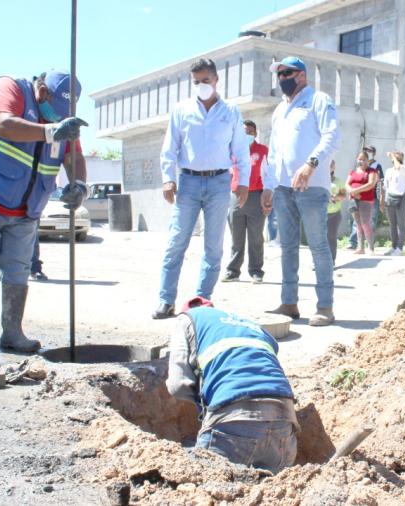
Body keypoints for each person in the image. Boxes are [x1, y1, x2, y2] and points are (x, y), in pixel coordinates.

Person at [0, 70, 88, 352]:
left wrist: (80, 186)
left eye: (62, 116)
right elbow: (4, 125)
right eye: (54, 112)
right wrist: (50, 131)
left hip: (27, 207)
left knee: (18, 269)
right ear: (42, 92)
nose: (56, 119)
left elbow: (73, 155)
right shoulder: (9, 89)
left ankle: (12, 332)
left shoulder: (62, 122)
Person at [153, 58, 250, 319]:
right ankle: (165, 300)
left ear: (217, 80)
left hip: (219, 182)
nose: (201, 85)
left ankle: (201, 301)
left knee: (214, 246)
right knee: (177, 242)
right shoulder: (181, 110)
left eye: (206, 80)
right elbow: (170, 147)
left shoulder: (230, 111)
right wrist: (167, 178)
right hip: (188, 183)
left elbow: (240, 150)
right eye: (196, 82)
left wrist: (243, 182)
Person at [166, 296, 298, 473]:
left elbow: (178, 385)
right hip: (285, 426)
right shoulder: (252, 326)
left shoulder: (186, 319)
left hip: (232, 424)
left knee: (208, 491)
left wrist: (206, 410)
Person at [262, 56, 341, 326]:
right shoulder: (279, 110)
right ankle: (289, 303)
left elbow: (332, 136)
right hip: (283, 188)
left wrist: (310, 164)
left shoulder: (319, 100)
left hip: (312, 187)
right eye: (279, 74)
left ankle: (325, 307)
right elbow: (273, 152)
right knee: (288, 248)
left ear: (302, 76)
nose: (282, 78)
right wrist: (269, 185)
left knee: (318, 246)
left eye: (288, 73)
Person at [223, 120, 269, 284]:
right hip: (236, 196)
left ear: (255, 134)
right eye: (244, 132)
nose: (247, 135)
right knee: (236, 237)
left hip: (256, 196)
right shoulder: (233, 151)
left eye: (250, 132)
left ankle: (256, 271)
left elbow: (268, 174)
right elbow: (227, 173)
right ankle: (233, 271)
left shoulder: (263, 151)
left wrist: (268, 196)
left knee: (256, 237)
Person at [348, 146, 383, 249]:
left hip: (369, 198)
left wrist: (381, 198)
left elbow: (376, 183)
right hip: (355, 199)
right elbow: (348, 183)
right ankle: (357, 245)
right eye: (360, 159)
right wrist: (352, 192)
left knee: (367, 222)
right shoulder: (355, 170)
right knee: (357, 223)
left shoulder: (375, 167)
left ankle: (370, 246)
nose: (361, 161)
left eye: (369, 151)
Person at [383, 151, 405, 256]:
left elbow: (398, 166)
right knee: (392, 224)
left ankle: (400, 248)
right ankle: (394, 246)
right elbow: (386, 186)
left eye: (399, 157)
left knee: (401, 224)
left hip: (401, 198)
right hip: (390, 198)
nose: (397, 159)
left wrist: (393, 156)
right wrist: (384, 200)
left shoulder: (403, 169)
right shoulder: (389, 171)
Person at [327, 161, 346, 264]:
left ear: (333, 168)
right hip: (319, 214)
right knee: (319, 238)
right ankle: (318, 261)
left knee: (331, 237)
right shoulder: (318, 181)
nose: (328, 168)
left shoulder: (338, 182)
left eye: (330, 166)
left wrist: (335, 197)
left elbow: (343, 196)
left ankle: (331, 260)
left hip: (334, 214)